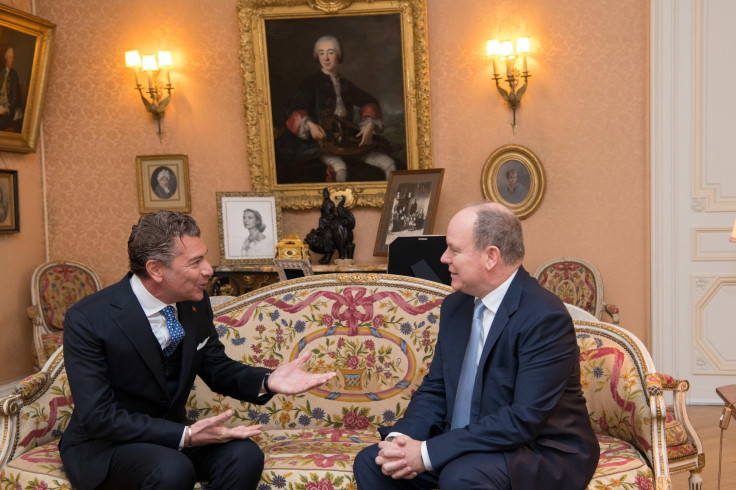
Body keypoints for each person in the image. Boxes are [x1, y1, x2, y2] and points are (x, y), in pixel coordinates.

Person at [60, 210, 335, 490]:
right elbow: (99, 416)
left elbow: (216, 367)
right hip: (107, 446)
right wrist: (186, 434)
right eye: (195, 262)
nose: (208, 269)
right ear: (156, 269)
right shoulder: (89, 319)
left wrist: (267, 380)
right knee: (172, 469)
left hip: (173, 438)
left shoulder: (194, 303)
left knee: (243, 455)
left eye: (204, 256)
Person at [353, 202, 599, 490]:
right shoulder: (456, 306)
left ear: (491, 256)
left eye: (454, 250)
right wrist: (400, 442)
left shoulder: (544, 317)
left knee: (461, 475)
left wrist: (426, 453)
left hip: (535, 451)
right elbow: (436, 388)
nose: (444, 258)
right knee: (375, 463)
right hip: (469, 444)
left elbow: (523, 419)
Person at [275, 35, 396, 182]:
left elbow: (369, 101)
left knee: (389, 164)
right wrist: (310, 125)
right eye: (321, 53)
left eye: (330, 52)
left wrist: (369, 123)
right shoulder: (310, 82)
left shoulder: (346, 84)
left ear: (338, 55)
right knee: (340, 168)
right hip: (320, 143)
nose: (326, 58)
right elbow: (295, 107)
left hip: (346, 139)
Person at [0, 47, 22, 131]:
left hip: (8, 110)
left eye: (13, 58)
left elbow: (16, 99)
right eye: (10, 57)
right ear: (6, 58)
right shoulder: (1, 74)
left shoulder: (14, 76)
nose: (12, 60)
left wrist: (7, 109)